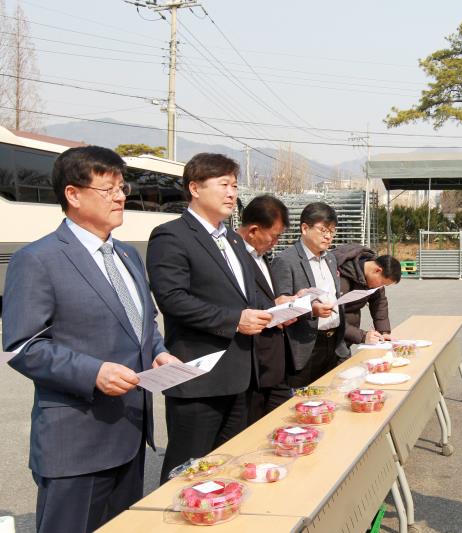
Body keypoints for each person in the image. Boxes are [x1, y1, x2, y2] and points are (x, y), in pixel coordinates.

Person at [1, 146, 180, 532]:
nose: (121, 196)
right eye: (109, 188)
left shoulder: (129, 256)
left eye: (122, 186)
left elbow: (143, 322)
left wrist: (159, 353)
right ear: (73, 194)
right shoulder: (37, 259)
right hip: (76, 445)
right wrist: (93, 372)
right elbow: (22, 346)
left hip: (130, 434)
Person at [147, 153, 272, 483]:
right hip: (198, 378)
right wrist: (235, 320)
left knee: (227, 467)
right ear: (195, 188)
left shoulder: (232, 239)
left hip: (239, 375)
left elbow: (247, 296)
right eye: (224, 184)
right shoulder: (171, 235)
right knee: (186, 471)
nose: (232, 193)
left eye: (234, 185)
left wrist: (279, 307)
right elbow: (173, 300)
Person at [271, 202, 348, 387]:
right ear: (305, 228)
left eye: (332, 231)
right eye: (323, 230)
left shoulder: (330, 258)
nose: (329, 236)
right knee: (304, 403)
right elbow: (280, 308)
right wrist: (311, 310)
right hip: (305, 347)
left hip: (334, 343)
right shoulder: (285, 260)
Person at [235, 194, 297, 422]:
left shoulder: (261, 256)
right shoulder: (233, 257)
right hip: (254, 364)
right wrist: (274, 308)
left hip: (273, 364)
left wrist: (283, 303)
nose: (276, 242)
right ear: (253, 231)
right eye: (274, 236)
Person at [332, 243, 402, 345]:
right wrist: (362, 336)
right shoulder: (340, 274)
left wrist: (384, 332)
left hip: (346, 338)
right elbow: (331, 316)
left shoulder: (374, 281)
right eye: (382, 283)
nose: (381, 287)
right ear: (378, 270)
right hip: (325, 337)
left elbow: (379, 303)